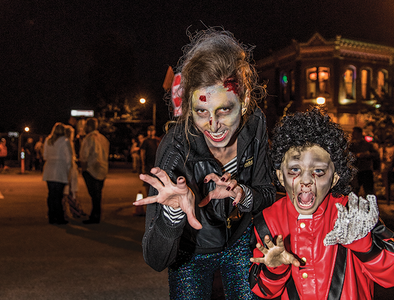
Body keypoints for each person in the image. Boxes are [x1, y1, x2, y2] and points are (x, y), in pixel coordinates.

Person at [133, 29, 275, 299]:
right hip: (191, 254)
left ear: (244, 101)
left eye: (224, 109)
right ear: (189, 107)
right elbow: (155, 259)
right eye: (201, 112)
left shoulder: (255, 124)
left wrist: (244, 196)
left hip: (240, 244)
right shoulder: (175, 149)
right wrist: (172, 216)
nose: (214, 126)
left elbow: (266, 193)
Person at [249, 108, 394, 299]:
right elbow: (262, 291)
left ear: (335, 178)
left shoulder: (354, 215)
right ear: (280, 176)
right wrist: (275, 270)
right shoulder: (268, 221)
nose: (306, 180)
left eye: (318, 171)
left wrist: (364, 244)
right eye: (294, 169)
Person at [79, 118, 109, 224]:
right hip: (103, 169)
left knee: (94, 194)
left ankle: (94, 216)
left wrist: (83, 169)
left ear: (89, 126)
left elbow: (84, 155)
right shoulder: (103, 138)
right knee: (98, 195)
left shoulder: (89, 138)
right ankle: (96, 215)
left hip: (91, 169)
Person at [42, 123, 72, 225]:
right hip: (60, 170)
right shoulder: (65, 141)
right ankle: (59, 217)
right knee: (58, 196)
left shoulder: (48, 140)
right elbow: (68, 158)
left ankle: (51, 215)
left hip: (49, 169)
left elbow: (45, 156)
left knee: (51, 194)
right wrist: (68, 170)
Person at [62, 125, 86, 218]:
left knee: (69, 192)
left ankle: (73, 210)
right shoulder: (67, 143)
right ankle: (74, 211)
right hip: (69, 171)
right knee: (70, 192)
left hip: (70, 170)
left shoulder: (67, 142)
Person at [349, 126, 378, 196]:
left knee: (368, 190)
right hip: (355, 170)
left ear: (359, 133)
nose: (353, 134)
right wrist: (356, 155)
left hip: (366, 170)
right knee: (354, 190)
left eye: (354, 133)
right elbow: (347, 155)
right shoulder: (351, 145)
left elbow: (375, 154)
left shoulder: (367, 144)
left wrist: (367, 154)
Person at [140, 125, 160, 196]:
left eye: (152, 131)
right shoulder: (146, 141)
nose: (151, 132)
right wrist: (143, 163)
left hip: (156, 164)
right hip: (148, 163)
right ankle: (149, 195)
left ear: (154, 131)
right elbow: (142, 152)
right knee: (148, 181)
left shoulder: (157, 140)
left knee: (156, 180)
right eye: (149, 131)